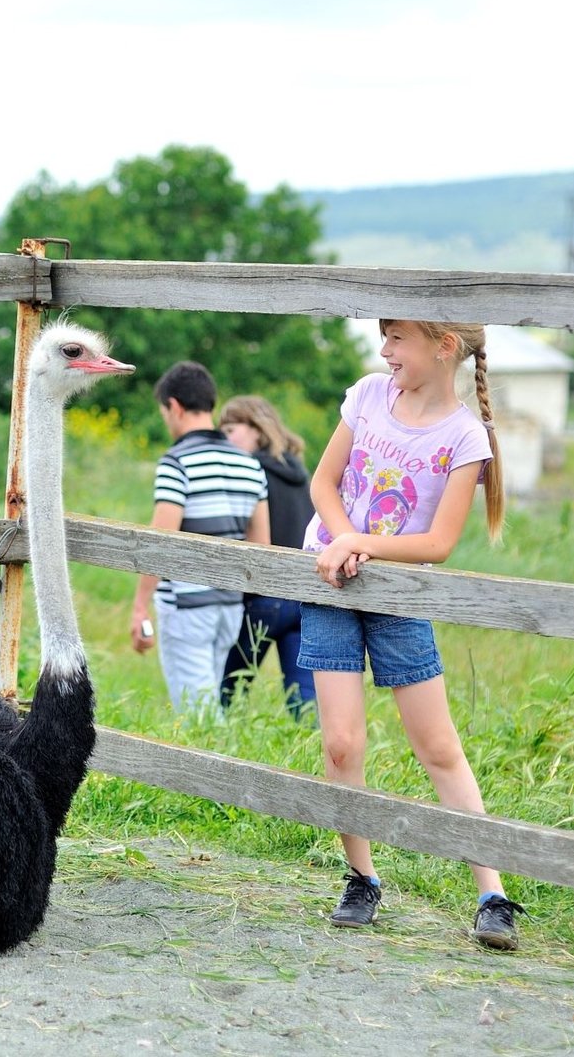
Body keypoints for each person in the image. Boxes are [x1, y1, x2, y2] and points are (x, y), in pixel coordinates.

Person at [297, 318, 524, 951]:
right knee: (341, 744)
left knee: (438, 748)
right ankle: (362, 877)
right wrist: (343, 540)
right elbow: (323, 482)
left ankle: (493, 893)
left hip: (399, 596)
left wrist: (360, 543)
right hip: (331, 582)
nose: (384, 350)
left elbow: (438, 543)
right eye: (385, 338)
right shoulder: (367, 396)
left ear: (442, 346)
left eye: (397, 339)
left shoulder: (465, 437)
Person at [130, 361, 269, 716]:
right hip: (230, 605)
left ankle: (216, 772)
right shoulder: (250, 464)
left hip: (186, 604)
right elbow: (261, 546)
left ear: (173, 406)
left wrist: (140, 607)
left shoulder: (176, 463)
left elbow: (160, 542)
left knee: (198, 716)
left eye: (164, 412)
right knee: (211, 703)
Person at [216, 395, 318, 720]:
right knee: (305, 702)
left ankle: (216, 747)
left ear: (257, 430)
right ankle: (312, 760)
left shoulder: (250, 472)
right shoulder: (300, 472)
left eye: (231, 429)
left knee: (227, 691)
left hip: (262, 597)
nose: (226, 438)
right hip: (303, 597)